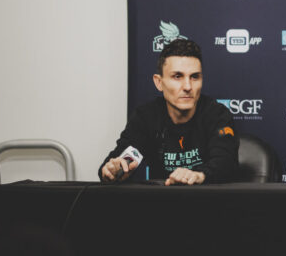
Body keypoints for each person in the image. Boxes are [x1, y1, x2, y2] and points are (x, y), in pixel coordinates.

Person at [98, 39, 238, 185]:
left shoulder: (217, 114)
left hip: (208, 202)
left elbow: (226, 163)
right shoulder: (146, 117)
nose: (188, 86)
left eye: (194, 77)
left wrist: (199, 175)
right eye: (177, 76)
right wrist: (112, 171)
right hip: (162, 203)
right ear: (159, 82)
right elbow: (116, 160)